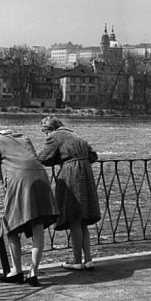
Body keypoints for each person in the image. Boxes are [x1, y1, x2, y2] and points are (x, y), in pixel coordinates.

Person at [0, 129, 59, 286]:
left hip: (20, 181)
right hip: (40, 178)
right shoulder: (24, 138)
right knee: (38, 225)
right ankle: (33, 273)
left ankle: (17, 271)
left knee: (10, 227)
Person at [37, 116, 101, 271]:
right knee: (83, 220)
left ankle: (77, 260)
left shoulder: (55, 136)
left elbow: (43, 158)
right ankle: (88, 259)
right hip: (86, 174)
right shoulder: (75, 135)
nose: (46, 135)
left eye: (44, 132)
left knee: (74, 217)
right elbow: (93, 156)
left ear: (49, 129)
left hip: (71, 175)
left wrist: (64, 162)